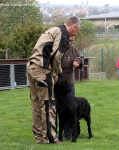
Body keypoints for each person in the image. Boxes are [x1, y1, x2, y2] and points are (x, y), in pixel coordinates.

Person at [27, 16, 81, 144]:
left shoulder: (52, 30)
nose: (76, 33)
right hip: (43, 69)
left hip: (31, 67)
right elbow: (57, 55)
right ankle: (51, 138)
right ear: (73, 27)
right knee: (48, 104)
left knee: (36, 105)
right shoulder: (63, 33)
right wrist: (56, 73)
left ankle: (40, 137)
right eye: (77, 30)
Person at [60, 35, 84, 139]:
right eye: (69, 40)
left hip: (69, 83)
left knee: (70, 108)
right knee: (58, 109)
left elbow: (80, 57)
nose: (70, 42)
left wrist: (78, 62)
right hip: (58, 82)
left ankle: (69, 133)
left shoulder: (73, 48)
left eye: (72, 41)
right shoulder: (57, 47)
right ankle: (57, 133)